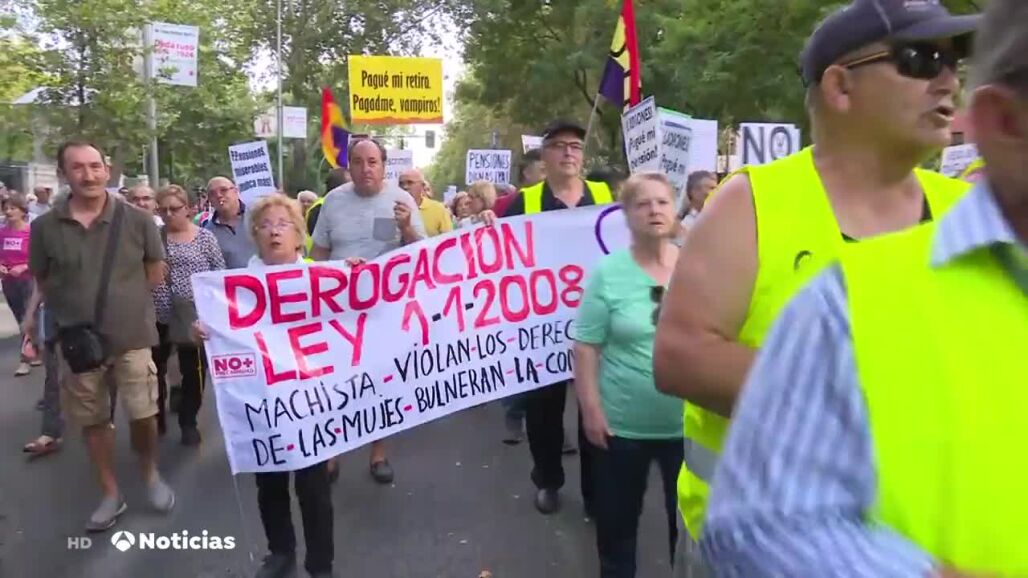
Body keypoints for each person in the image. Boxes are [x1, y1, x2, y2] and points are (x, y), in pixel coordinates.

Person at [652, 2, 977, 575]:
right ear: (841, 87)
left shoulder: (968, 211)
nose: (949, 81)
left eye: (953, 64)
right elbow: (680, 356)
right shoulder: (752, 202)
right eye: (921, 59)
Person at [30, 140, 174, 531]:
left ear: (107, 170)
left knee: (144, 414)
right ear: (63, 174)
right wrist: (43, 324)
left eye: (95, 166)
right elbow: (43, 279)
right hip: (78, 344)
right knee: (93, 420)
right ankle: (111, 493)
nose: (89, 174)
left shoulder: (139, 221)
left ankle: (149, 473)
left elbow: (155, 273)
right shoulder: (44, 227)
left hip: (132, 337)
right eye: (78, 167)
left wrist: (121, 304)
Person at [195, 195, 335, 578]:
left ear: (298, 235)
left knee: (314, 487)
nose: (274, 232)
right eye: (265, 225)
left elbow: (357, 311)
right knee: (270, 482)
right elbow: (221, 327)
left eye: (283, 224)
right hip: (263, 399)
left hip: (311, 398)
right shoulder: (236, 287)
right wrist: (206, 329)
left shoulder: (323, 278)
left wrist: (357, 277)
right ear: (254, 235)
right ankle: (280, 552)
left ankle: (321, 564)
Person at [495, 119, 615, 516]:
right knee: (543, 412)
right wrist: (487, 231)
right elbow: (498, 255)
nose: (568, 152)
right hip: (541, 328)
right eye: (559, 145)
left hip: (596, 323)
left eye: (575, 146)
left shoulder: (604, 195)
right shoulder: (524, 202)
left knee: (594, 407)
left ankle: (596, 492)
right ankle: (547, 480)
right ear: (544, 155)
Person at [574, 173, 684, 578]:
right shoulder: (608, 273)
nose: (654, 210)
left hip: (688, 428)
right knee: (617, 535)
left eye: (663, 202)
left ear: (674, 210)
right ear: (627, 214)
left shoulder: (697, 266)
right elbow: (586, 346)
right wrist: (591, 411)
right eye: (643, 203)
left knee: (688, 535)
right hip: (621, 430)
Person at [310, 138, 426, 485]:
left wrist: (407, 229)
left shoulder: (402, 201)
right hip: (338, 308)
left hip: (383, 310)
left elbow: (423, 256)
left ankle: (378, 452)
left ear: (383, 166)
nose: (365, 169)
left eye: (372, 162)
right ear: (349, 167)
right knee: (334, 380)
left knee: (379, 381)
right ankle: (332, 449)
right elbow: (319, 253)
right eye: (358, 162)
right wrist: (310, 292)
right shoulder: (333, 201)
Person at [151, 184, 225, 445]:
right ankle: (156, 417)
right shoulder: (154, 238)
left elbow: (218, 274)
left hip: (193, 316)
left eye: (175, 208)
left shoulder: (205, 238)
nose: (169, 214)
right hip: (158, 315)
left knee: (194, 372)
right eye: (163, 210)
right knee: (155, 370)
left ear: (189, 209)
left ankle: (188, 420)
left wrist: (214, 310)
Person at [1, 193, 37, 376]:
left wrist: (24, 266)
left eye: (12, 208)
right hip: (9, 282)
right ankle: (34, 348)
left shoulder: (31, 232)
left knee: (27, 319)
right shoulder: (2, 233)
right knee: (20, 318)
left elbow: (39, 258)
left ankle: (25, 360)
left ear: (23, 211)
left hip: (29, 281)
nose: (8, 212)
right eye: (6, 208)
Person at [202, 176, 256, 269]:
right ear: (209, 200)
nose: (218, 195)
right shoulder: (207, 234)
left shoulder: (257, 216)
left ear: (236, 191)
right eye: (212, 193)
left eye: (223, 190)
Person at [399, 168, 453, 237]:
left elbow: (449, 239)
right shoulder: (391, 209)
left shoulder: (438, 209)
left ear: (422, 186)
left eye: (410, 182)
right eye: (401, 184)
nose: (405, 187)